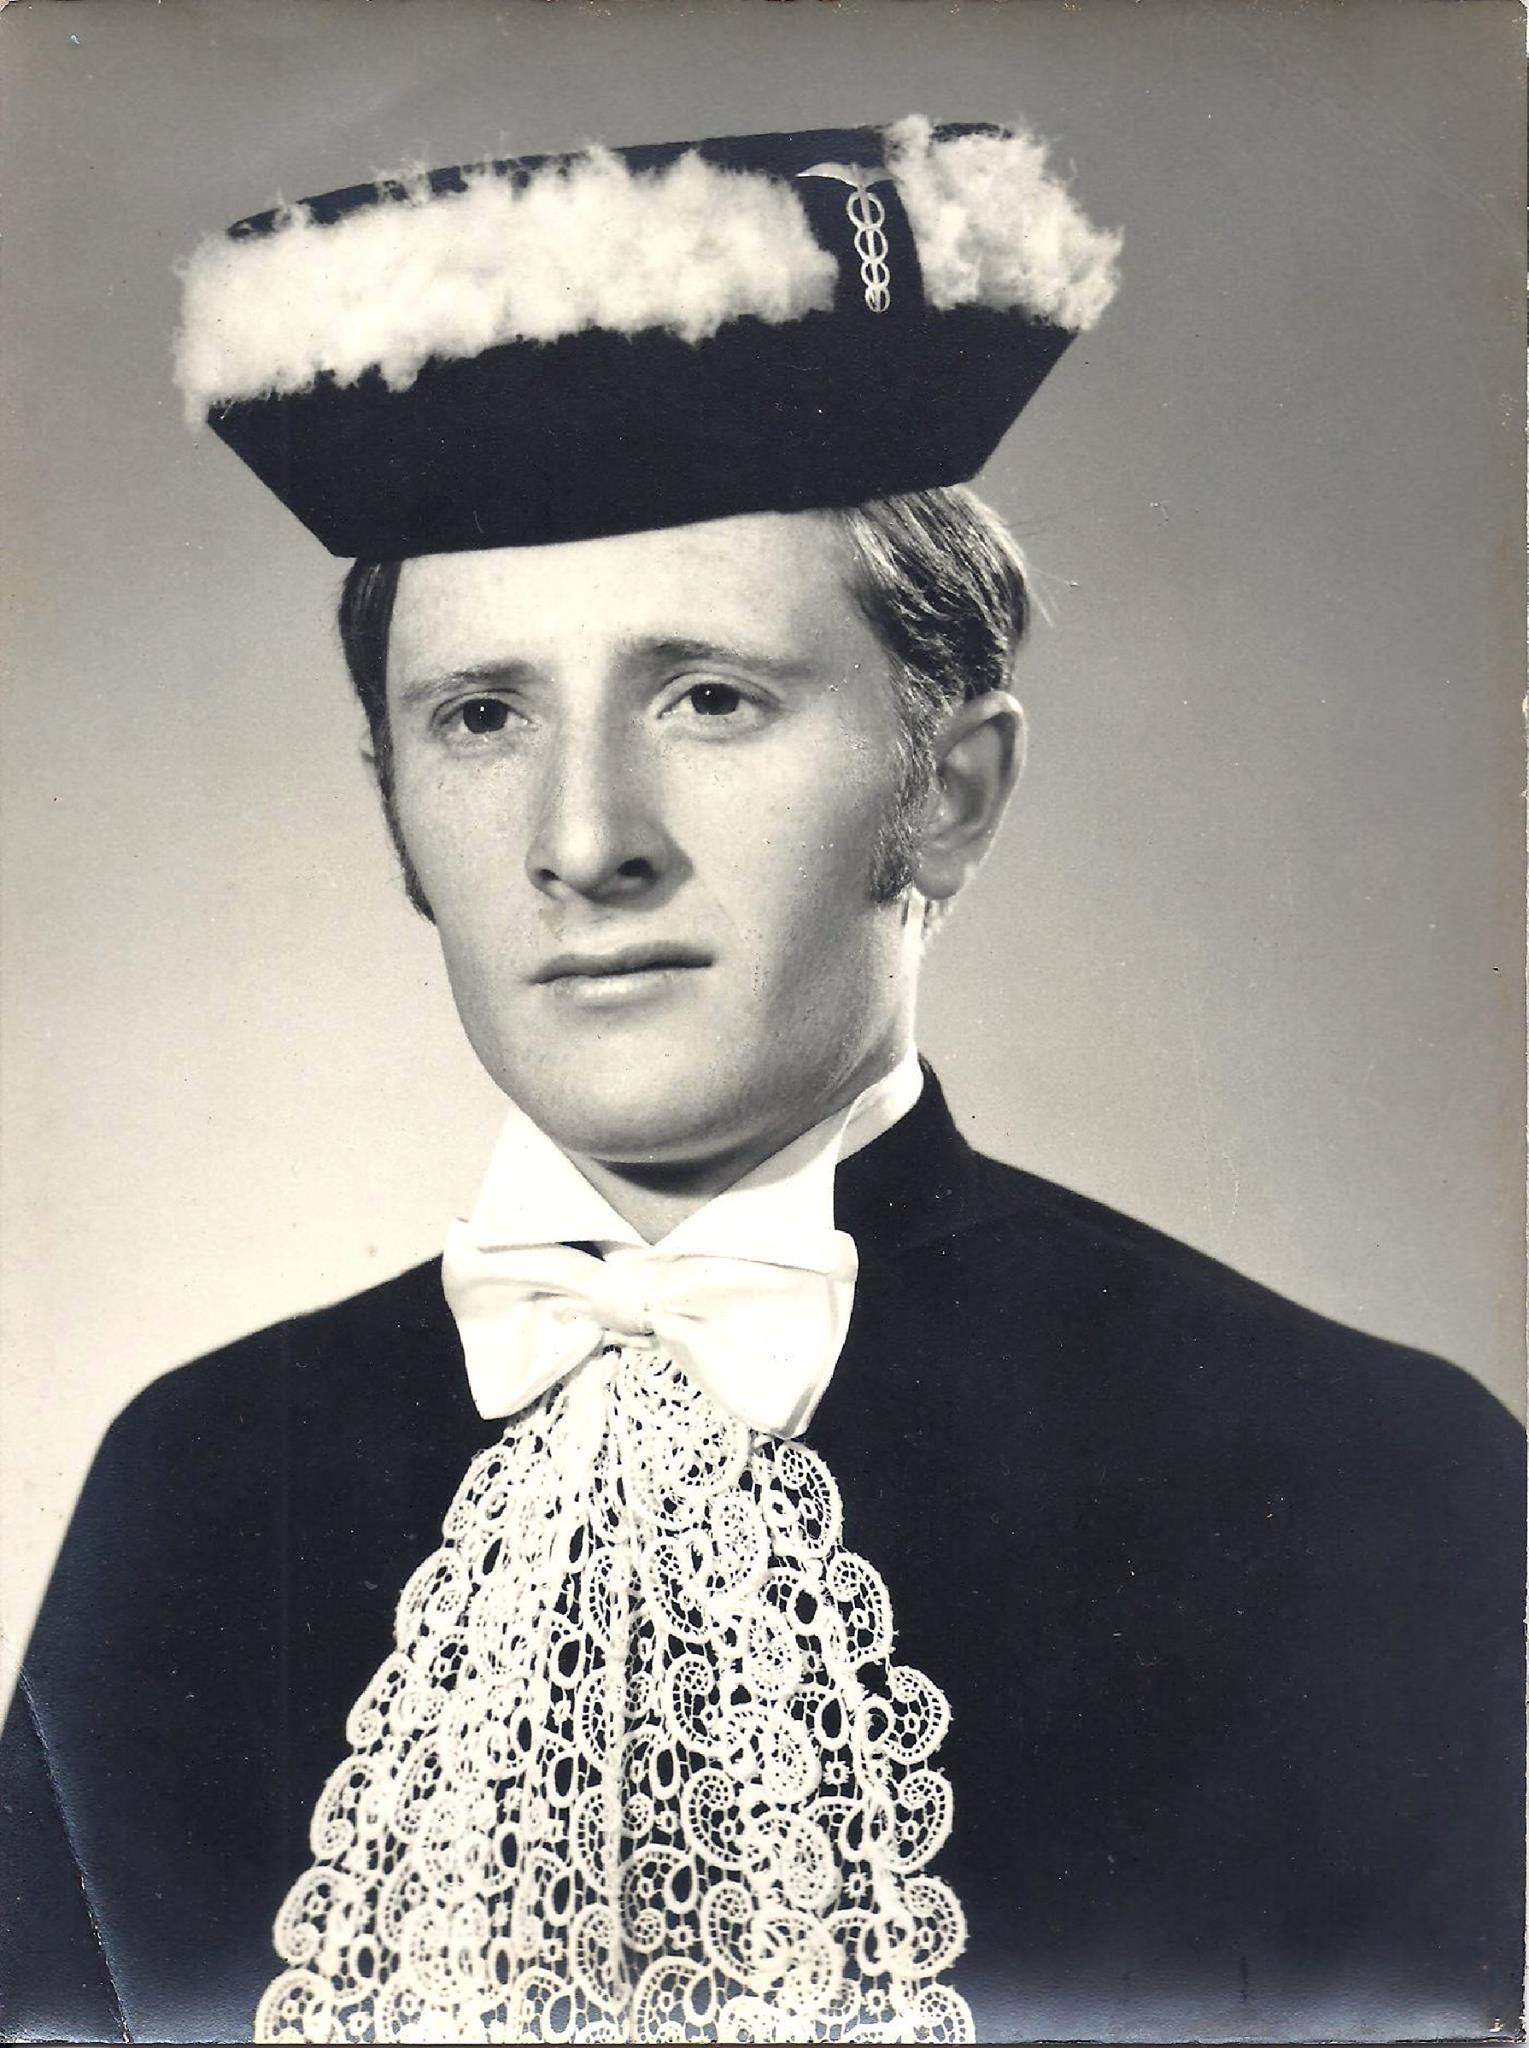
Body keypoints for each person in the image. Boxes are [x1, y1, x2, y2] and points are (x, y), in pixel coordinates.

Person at [0, 120, 1521, 2048]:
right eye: (482, 716)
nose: (584, 842)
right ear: (394, 815)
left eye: (709, 697)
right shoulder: (195, 1486)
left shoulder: (1359, 1483)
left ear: (945, 791)